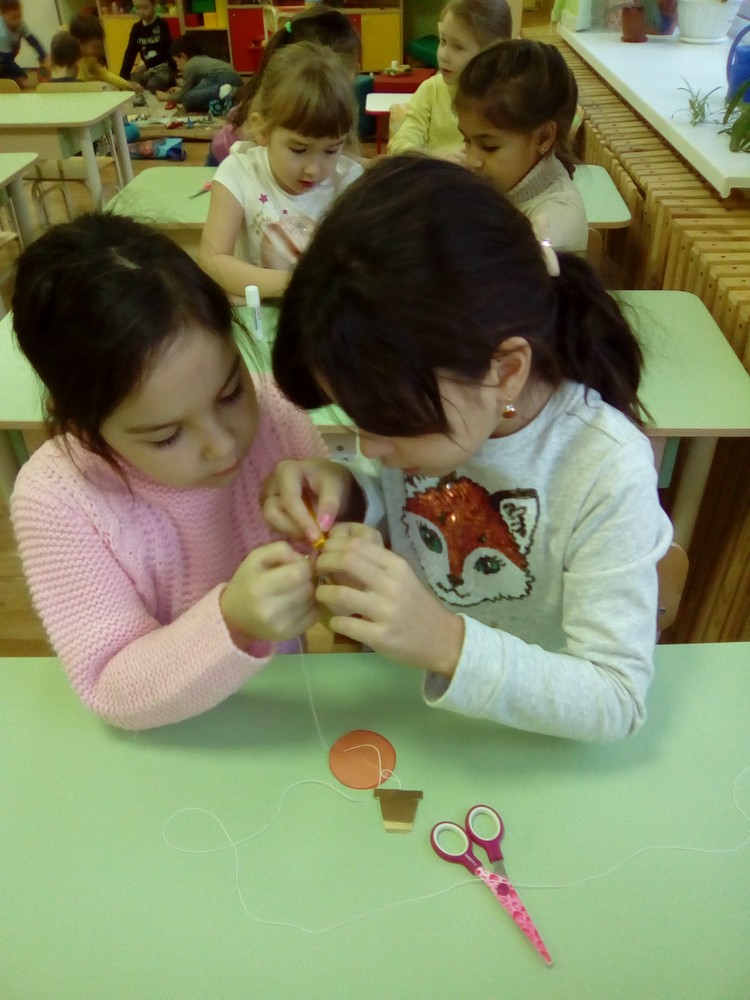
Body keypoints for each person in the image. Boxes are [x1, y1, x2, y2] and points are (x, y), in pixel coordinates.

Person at [267, 157, 673, 744]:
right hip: (416, 720)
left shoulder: (604, 468)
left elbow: (616, 699)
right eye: (356, 418)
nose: (370, 446)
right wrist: (351, 495)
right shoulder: (437, 412)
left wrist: (446, 643)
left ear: (506, 371)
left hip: (533, 744)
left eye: (391, 422)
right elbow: (405, 507)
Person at [9, 213, 356, 731]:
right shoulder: (58, 498)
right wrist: (233, 622)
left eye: (231, 393)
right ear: (84, 425)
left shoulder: (277, 416)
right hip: (172, 739)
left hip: (284, 718)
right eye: (167, 436)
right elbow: (109, 685)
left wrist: (346, 501)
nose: (224, 445)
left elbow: (337, 570)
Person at [199, 41, 363, 301]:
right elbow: (212, 259)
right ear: (262, 130)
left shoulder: (351, 182)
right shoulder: (239, 171)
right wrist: (298, 285)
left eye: (331, 151)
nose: (313, 170)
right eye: (298, 149)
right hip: (258, 315)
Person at [456, 39, 588, 254]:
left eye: (489, 146)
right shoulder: (502, 180)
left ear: (543, 137)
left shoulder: (556, 225)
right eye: (466, 140)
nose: (471, 160)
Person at [208, 6, 362, 166]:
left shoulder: (315, 95)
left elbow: (322, 149)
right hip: (222, 158)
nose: (358, 69)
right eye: (298, 149)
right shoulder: (265, 123)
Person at [387, 0, 511, 161]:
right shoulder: (431, 90)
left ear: (492, 53)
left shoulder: (507, 99)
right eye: (443, 41)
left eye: (458, 47)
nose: (443, 55)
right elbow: (399, 146)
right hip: (434, 174)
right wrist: (435, 159)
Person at [158, 34, 241, 113]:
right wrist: (180, 90)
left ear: (183, 56)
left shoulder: (190, 65)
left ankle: (220, 91)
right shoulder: (203, 59)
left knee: (187, 100)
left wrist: (168, 97)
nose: (177, 67)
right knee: (200, 98)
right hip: (234, 79)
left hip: (219, 77)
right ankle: (226, 99)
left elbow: (185, 94)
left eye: (176, 61)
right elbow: (199, 88)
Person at [69, 13, 140, 92]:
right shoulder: (73, 63)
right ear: (80, 44)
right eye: (95, 47)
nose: (99, 50)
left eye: (100, 46)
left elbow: (104, 74)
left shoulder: (89, 60)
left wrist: (128, 84)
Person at [118, 0, 175, 94]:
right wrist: (123, 77)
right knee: (129, 83)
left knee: (153, 85)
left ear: (154, 5)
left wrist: (174, 70)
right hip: (147, 70)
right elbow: (130, 53)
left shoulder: (162, 25)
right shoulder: (136, 28)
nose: (141, 12)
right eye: (137, 8)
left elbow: (167, 50)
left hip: (163, 68)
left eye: (145, 8)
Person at [0, 0, 49, 89]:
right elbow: (6, 62)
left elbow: (33, 42)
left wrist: (42, 55)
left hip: (6, 57)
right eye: (13, 18)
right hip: (3, 59)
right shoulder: (2, 34)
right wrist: (20, 74)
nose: (18, 21)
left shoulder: (20, 25)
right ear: (2, 16)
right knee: (19, 81)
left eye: (19, 16)